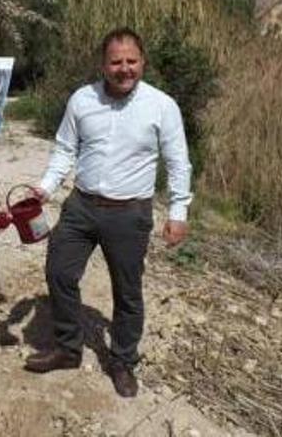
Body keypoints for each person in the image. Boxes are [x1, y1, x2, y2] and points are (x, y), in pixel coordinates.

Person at [23, 28, 192, 398]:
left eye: (131, 61)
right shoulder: (82, 100)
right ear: (103, 64)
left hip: (129, 214)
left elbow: (179, 163)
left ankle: (122, 361)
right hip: (81, 206)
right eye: (116, 62)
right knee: (59, 272)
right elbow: (65, 149)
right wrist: (46, 187)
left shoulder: (162, 106)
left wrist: (178, 212)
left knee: (127, 293)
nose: (124, 69)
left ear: (142, 61)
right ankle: (68, 348)